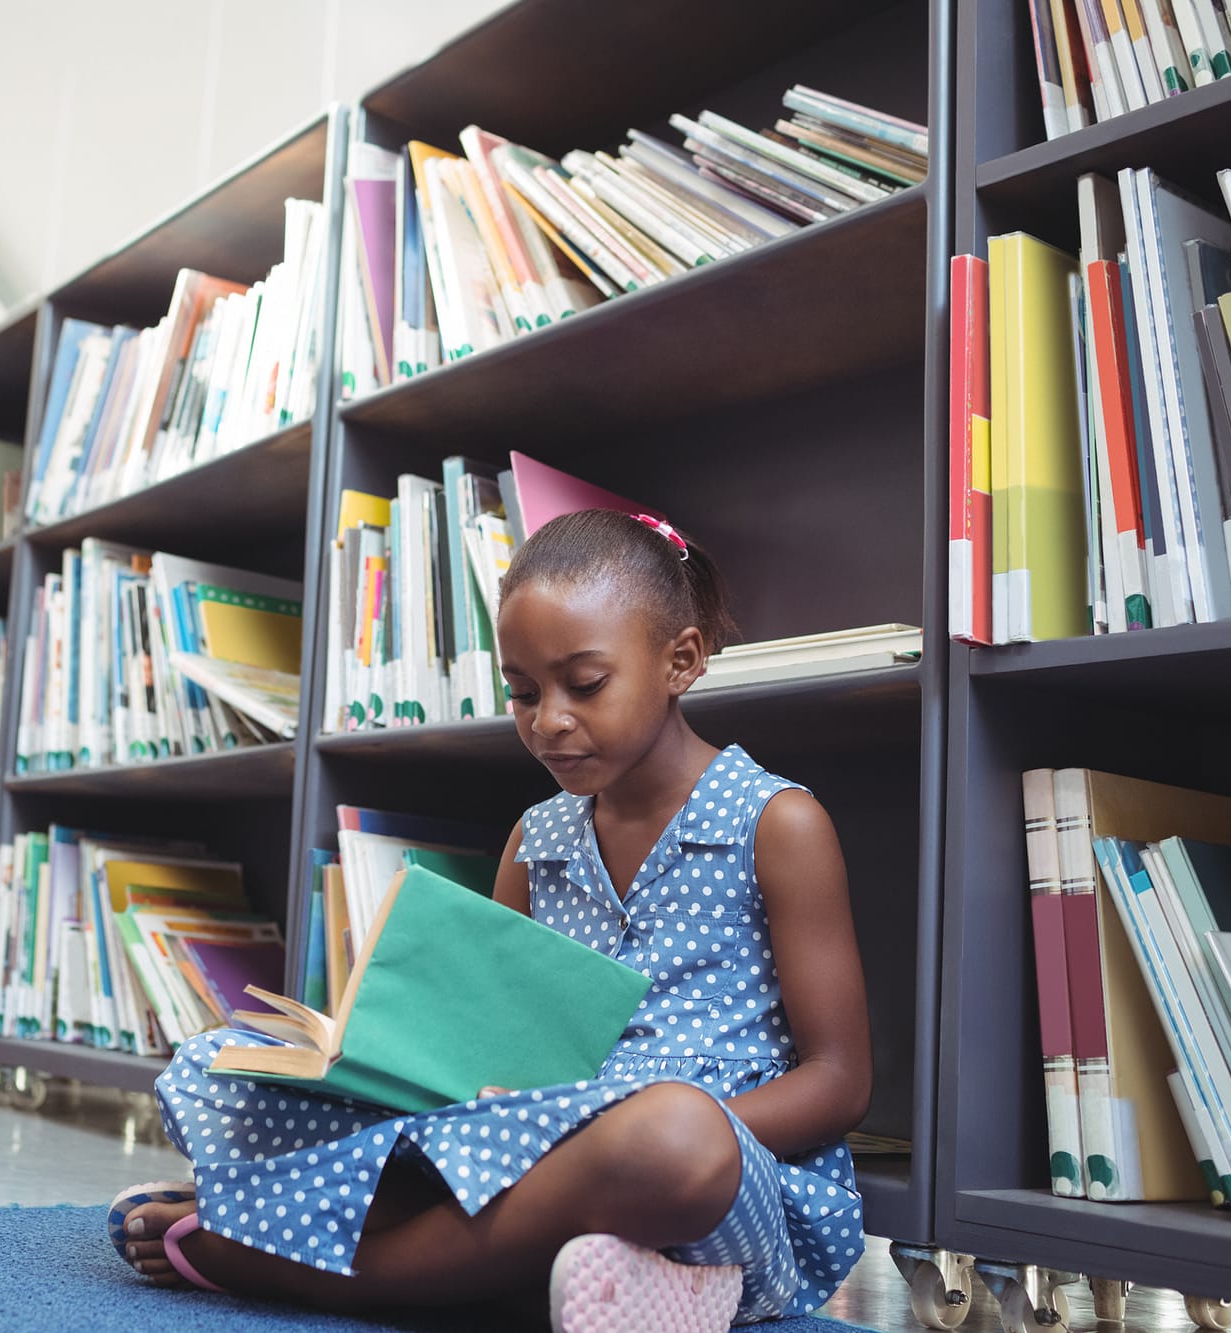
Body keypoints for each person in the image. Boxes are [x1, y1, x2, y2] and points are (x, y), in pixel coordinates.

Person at [111, 508, 872, 1330]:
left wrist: (598, 1128)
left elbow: (838, 1083)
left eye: (585, 685)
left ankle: (327, 1268)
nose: (547, 719)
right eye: (522, 691)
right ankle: (579, 1284)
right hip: (524, 1143)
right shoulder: (536, 836)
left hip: (714, 1177)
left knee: (671, 1135)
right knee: (220, 1063)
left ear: (680, 661)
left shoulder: (779, 822)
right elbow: (490, 1047)